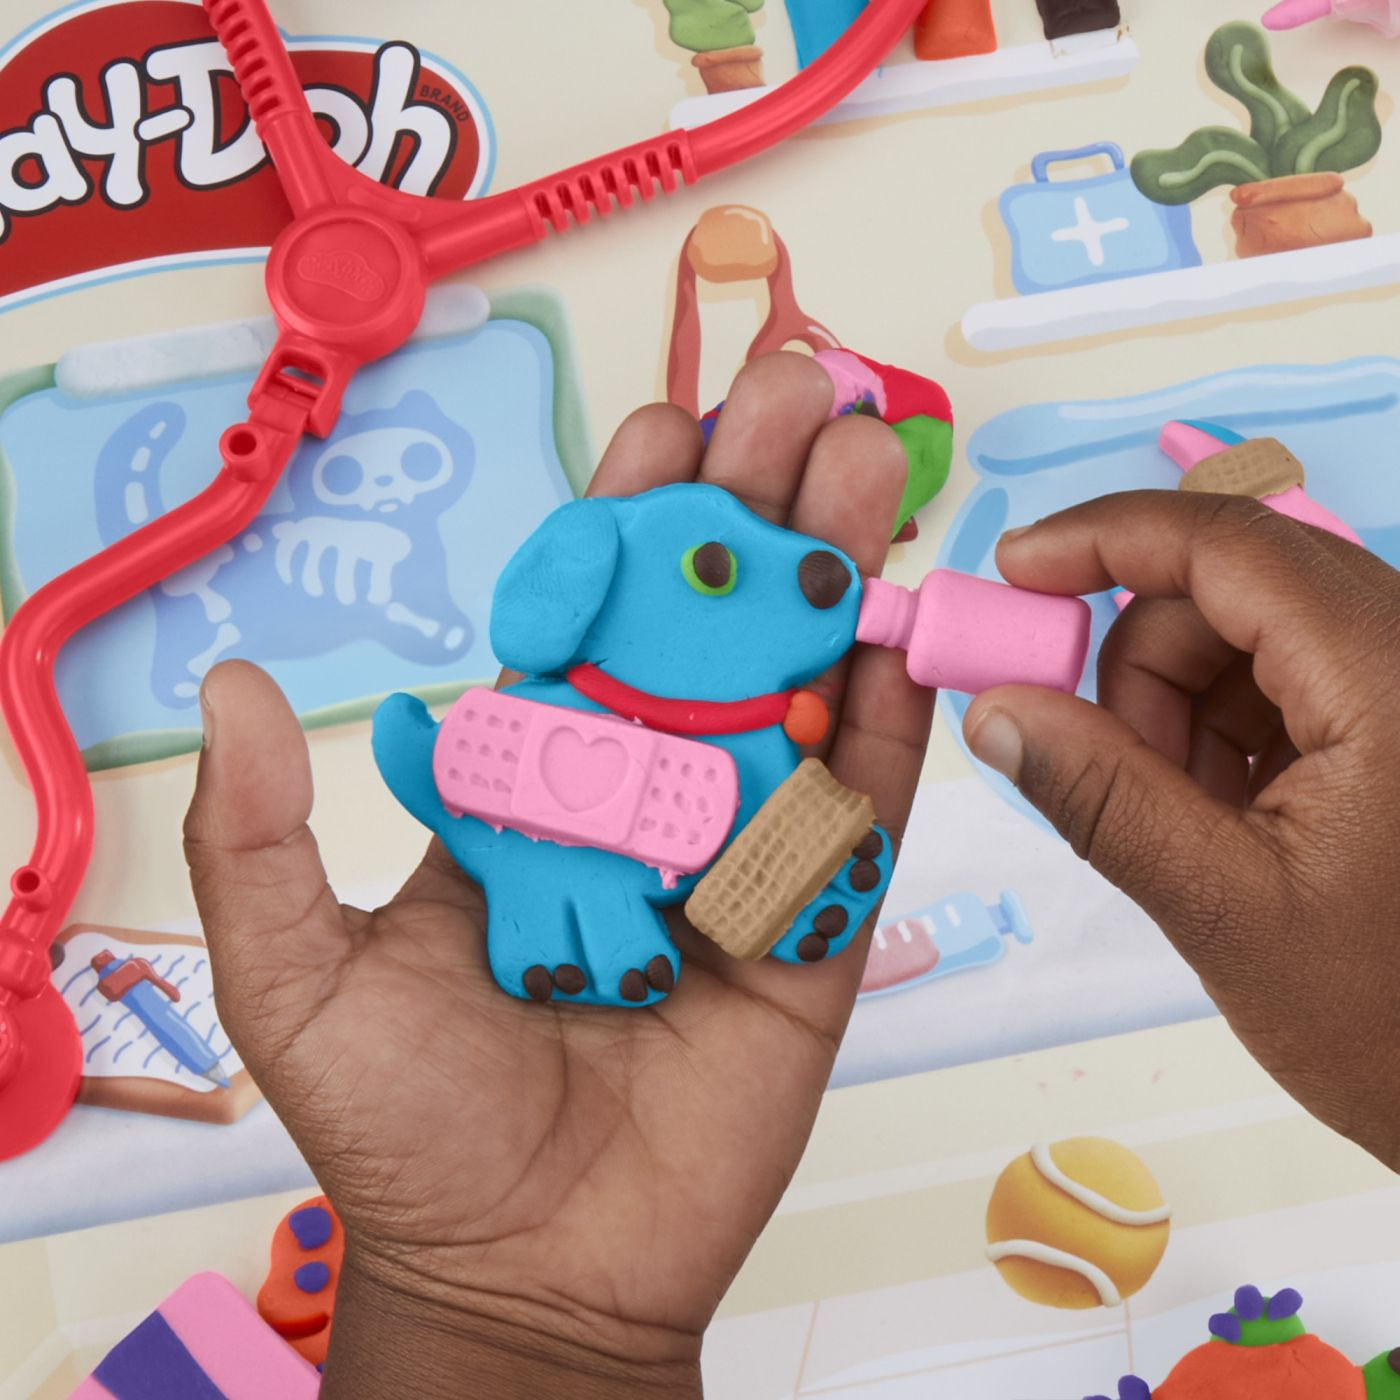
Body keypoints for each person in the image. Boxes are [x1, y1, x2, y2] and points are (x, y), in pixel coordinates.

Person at [183, 354, 1400, 1398]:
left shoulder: (766, 741)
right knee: (568, 890)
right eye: (720, 569)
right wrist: (481, 1309)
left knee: (784, 853)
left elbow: (772, 836)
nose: (810, 576)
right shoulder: (567, 702)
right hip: (538, 829)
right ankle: (566, 930)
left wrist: (492, 1318)